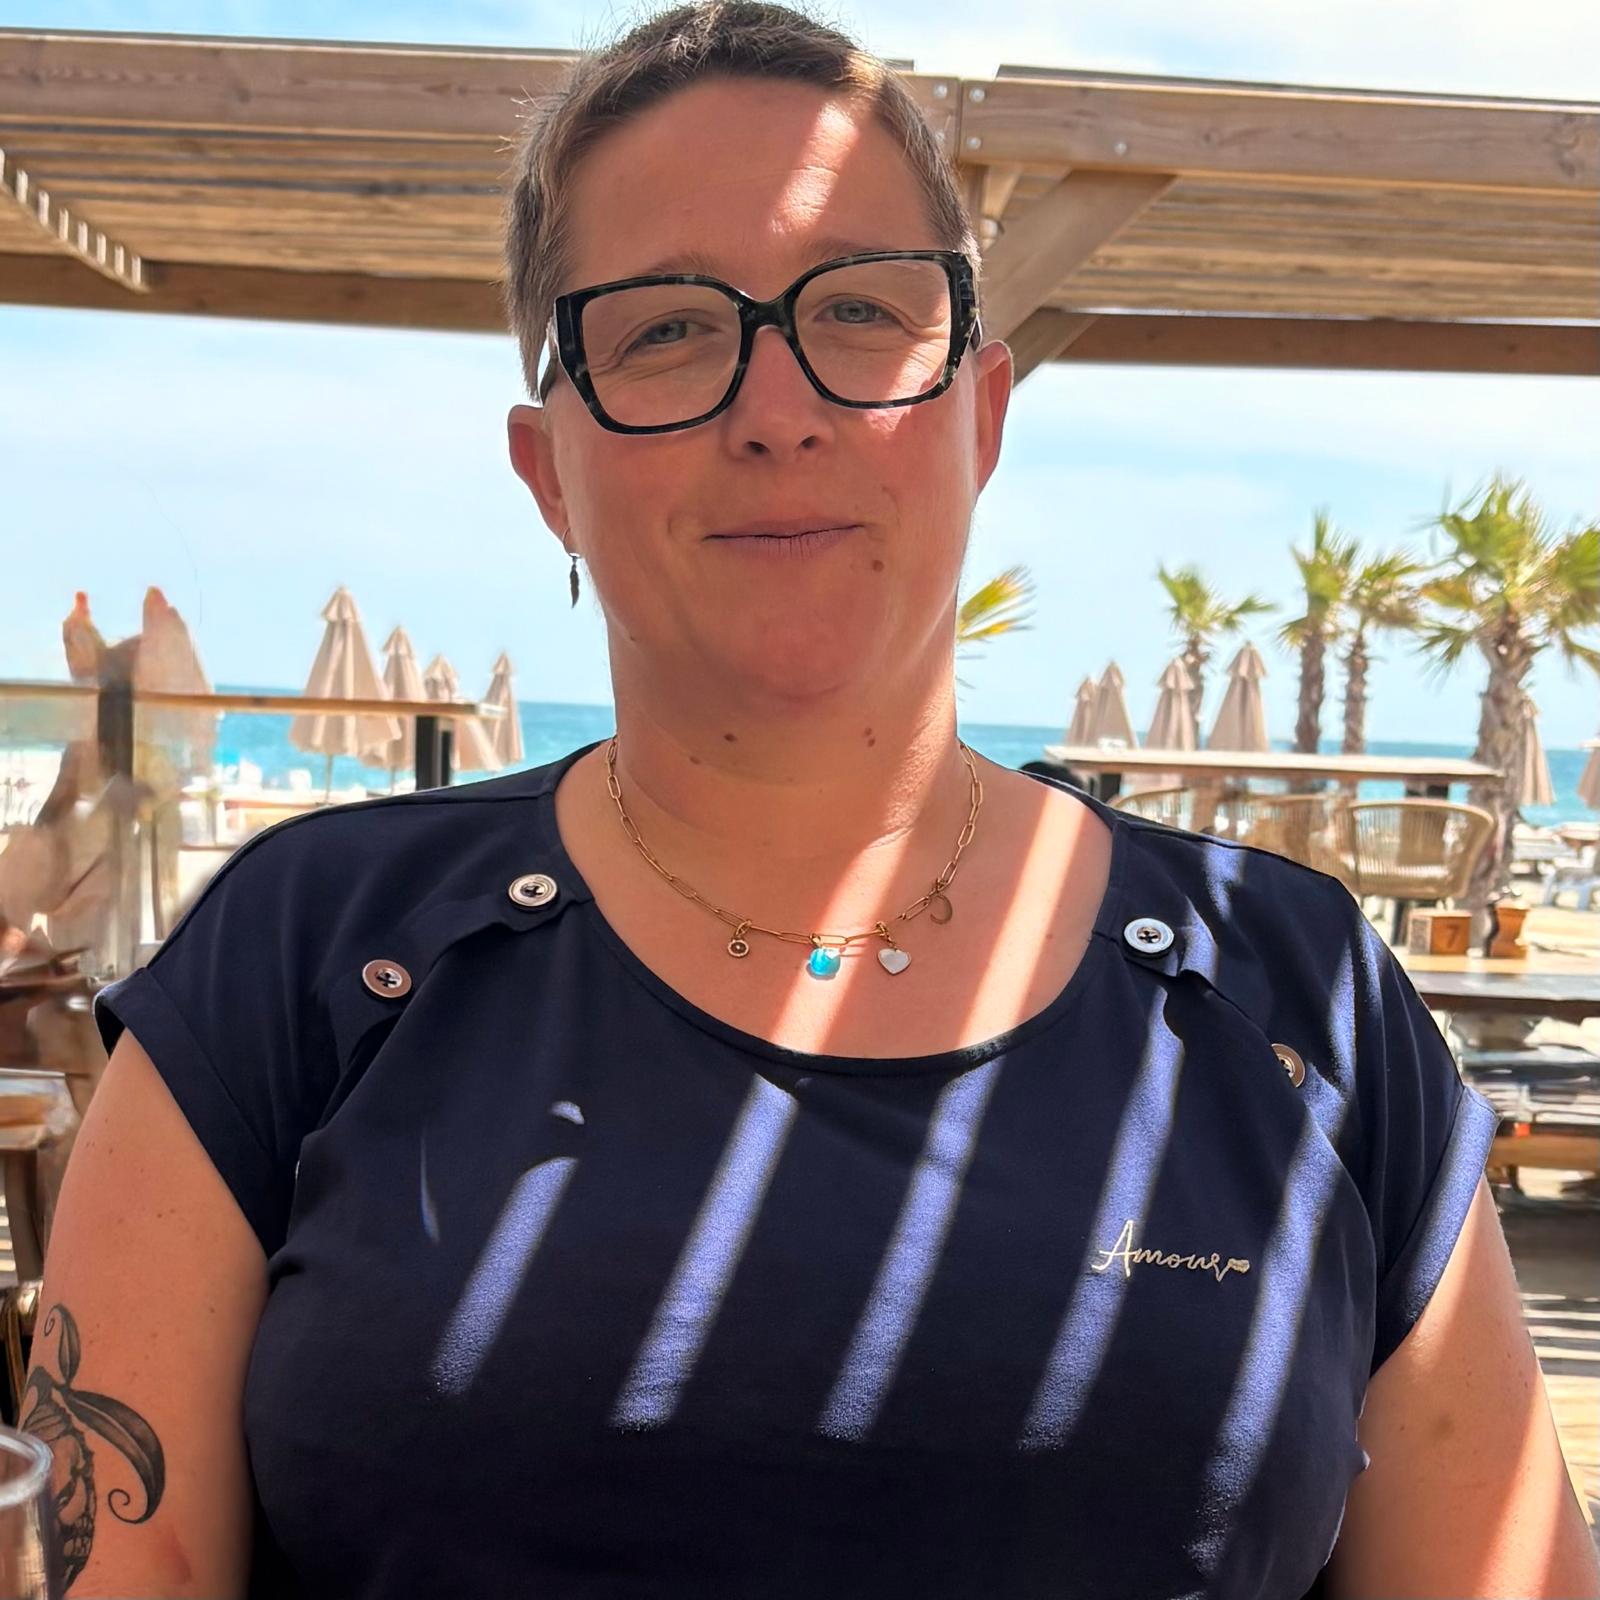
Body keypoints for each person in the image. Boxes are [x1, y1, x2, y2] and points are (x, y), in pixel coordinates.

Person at [25, 4, 1600, 1596]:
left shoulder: (1300, 999)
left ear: (982, 414)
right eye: (663, 330)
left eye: (857, 309)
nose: (777, 410)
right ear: (548, 471)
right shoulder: (304, 961)